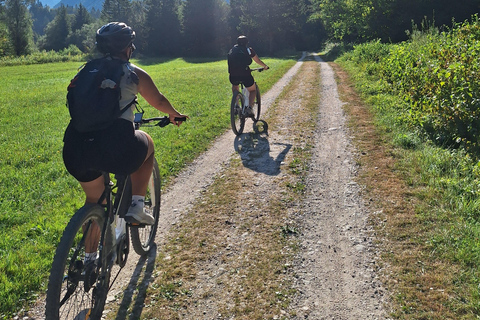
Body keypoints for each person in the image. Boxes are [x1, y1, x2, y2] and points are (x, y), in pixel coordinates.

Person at [63, 22, 187, 227]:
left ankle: (90, 257)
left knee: (95, 201)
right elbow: (159, 101)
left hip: (76, 150)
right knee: (148, 142)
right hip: (116, 149)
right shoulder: (132, 72)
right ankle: (137, 206)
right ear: (127, 48)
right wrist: (174, 115)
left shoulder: (85, 71)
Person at [228, 35, 269, 115]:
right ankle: (249, 108)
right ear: (247, 43)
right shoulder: (248, 50)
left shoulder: (232, 50)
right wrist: (265, 66)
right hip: (245, 74)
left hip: (233, 75)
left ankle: (236, 105)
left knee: (235, 86)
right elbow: (257, 60)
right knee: (252, 90)